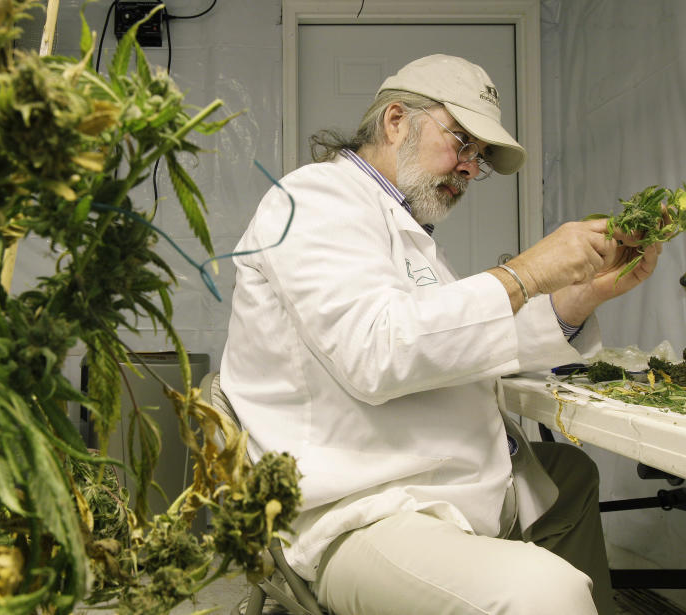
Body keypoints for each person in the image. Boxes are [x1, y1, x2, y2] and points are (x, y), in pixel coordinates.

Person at [219, 54, 663, 615]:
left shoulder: (402, 226)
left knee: (569, 477)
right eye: (463, 143)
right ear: (397, 121)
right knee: (547, 593)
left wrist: (582, 294)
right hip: (364, 508)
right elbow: (376, 353)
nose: (470, 169)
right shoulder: (311, 200)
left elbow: (460, 340)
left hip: (433, 479)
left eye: (479, 158)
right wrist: (525, 273)